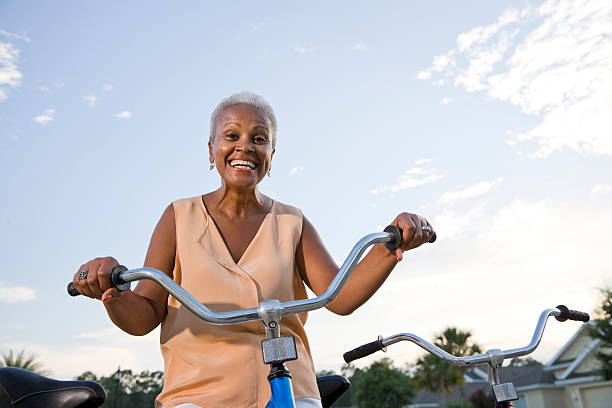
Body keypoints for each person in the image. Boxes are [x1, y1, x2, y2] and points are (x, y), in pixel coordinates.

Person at [73, 92, 435, 408]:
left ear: (271, 154)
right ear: (211, 148)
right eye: (232, 136)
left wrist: (392, 245)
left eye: (259, 139)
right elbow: (146, 314)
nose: (245, 146)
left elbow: (338, 296)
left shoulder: (292, 222)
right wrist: (115, 294)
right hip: (196, 393)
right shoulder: (178, 217)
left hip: (288, 386)